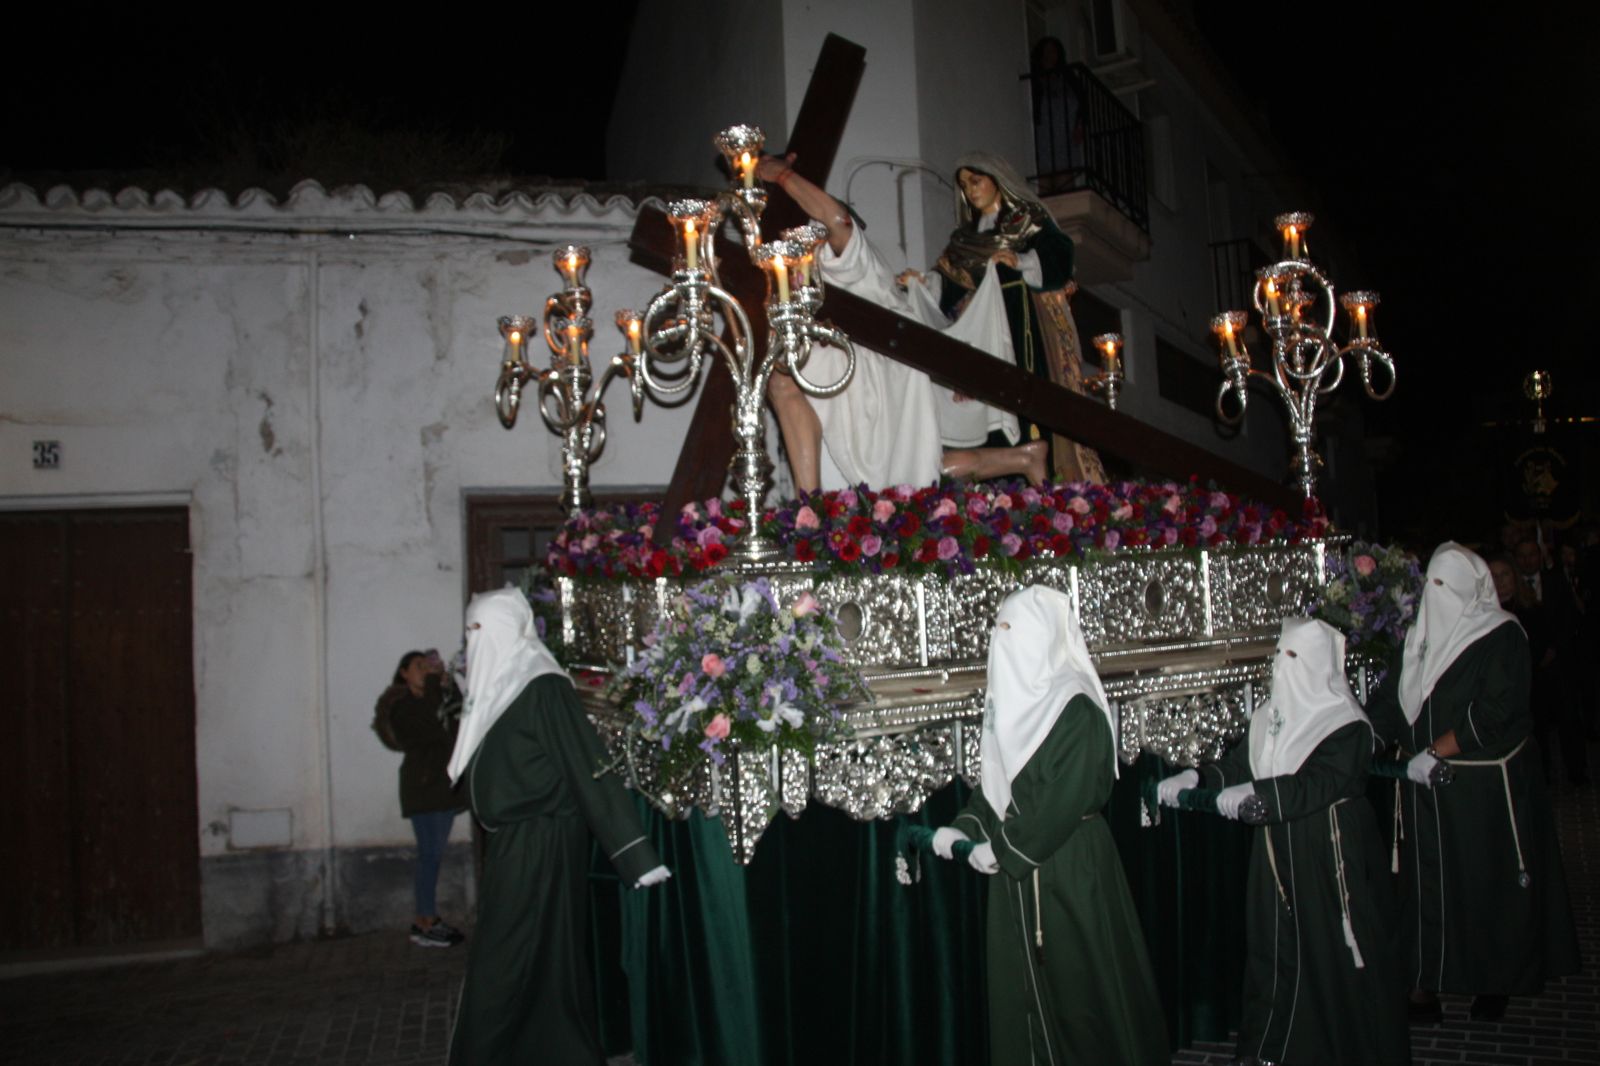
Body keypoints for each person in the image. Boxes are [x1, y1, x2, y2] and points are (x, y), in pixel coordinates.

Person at [929, 585, 1167, 1065]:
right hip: (1021, 868)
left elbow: (1065, 799)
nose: (1005, 644)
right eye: (1001, 633)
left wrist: (1005, 849)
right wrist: (967, 825)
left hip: (1070, 867)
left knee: (1082, 993)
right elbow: (998, 780)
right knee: (1024, 993)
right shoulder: (1016, 704)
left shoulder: (1076, 708)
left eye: (1014, 633)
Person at [1157, 618, 1410, 1066]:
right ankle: (1272, 1050)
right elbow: (1243, 765)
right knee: (1275, 951)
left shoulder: (1347, 725)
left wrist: (1260, 794)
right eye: (1279, 654)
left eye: (1292, 657)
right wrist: (1197, 777)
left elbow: (1318, 783)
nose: (1280, 665)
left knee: (1330, 955)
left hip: (1329, 854)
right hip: (1275, 853)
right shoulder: (1270, 717)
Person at [447, 588, 670, 1066]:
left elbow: (587, 765)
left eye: (481, 630)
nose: (473, 641)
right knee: (544, 957)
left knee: (503, 957)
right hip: (517, 840)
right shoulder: (504, 680)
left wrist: (633, 852)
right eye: (470, 631)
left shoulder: (543, 685)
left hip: (542, 839)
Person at [1366, 542, 1580, 1023]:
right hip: (1421, 791)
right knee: (1420, 888)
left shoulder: (1502, 636)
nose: (1437, 595)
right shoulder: (1417, 639)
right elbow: (1388, 702)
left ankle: (1493, 979)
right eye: (1432, 585)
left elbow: (1496, 711)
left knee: (1481, 884)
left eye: (1448, 586)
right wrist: (1361, 740)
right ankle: (1423, 982)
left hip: (1478, 791)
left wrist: (1436, 750)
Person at [757, 153, 1059, 494]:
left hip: (883, 369)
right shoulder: (797, 274)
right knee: (911, 476)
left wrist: (783, 176)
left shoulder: (842, 252)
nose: (788, 238)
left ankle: (808, 504)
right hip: (858, 374)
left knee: (899, 472)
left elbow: (837, 218)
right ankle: (1023, 458)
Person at [902, 152, 1107, 485]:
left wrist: (1020, 260)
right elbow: (950, 283)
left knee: (1025, 402)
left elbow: (1059, 256)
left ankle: (1034, 457)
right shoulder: (965, 239)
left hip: (1022, 327)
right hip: (982, 331)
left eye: (976, 180)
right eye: (964, 185)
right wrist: (922, 283)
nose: (970, 190)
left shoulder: (1028, 220)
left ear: (997, 180)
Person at [372, 649, 467, 947]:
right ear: (403, 672)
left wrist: (447, 684)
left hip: (442, 786)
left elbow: (459, 720)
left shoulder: (434, 695)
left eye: (428, 666)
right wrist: (433, 688)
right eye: (419, 666)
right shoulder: (401, 705)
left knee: (431, 855)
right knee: (430, 855)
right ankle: (424, 921)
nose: (425, 670)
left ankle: (426, 920)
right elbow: (429, 727)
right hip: (423, 787)